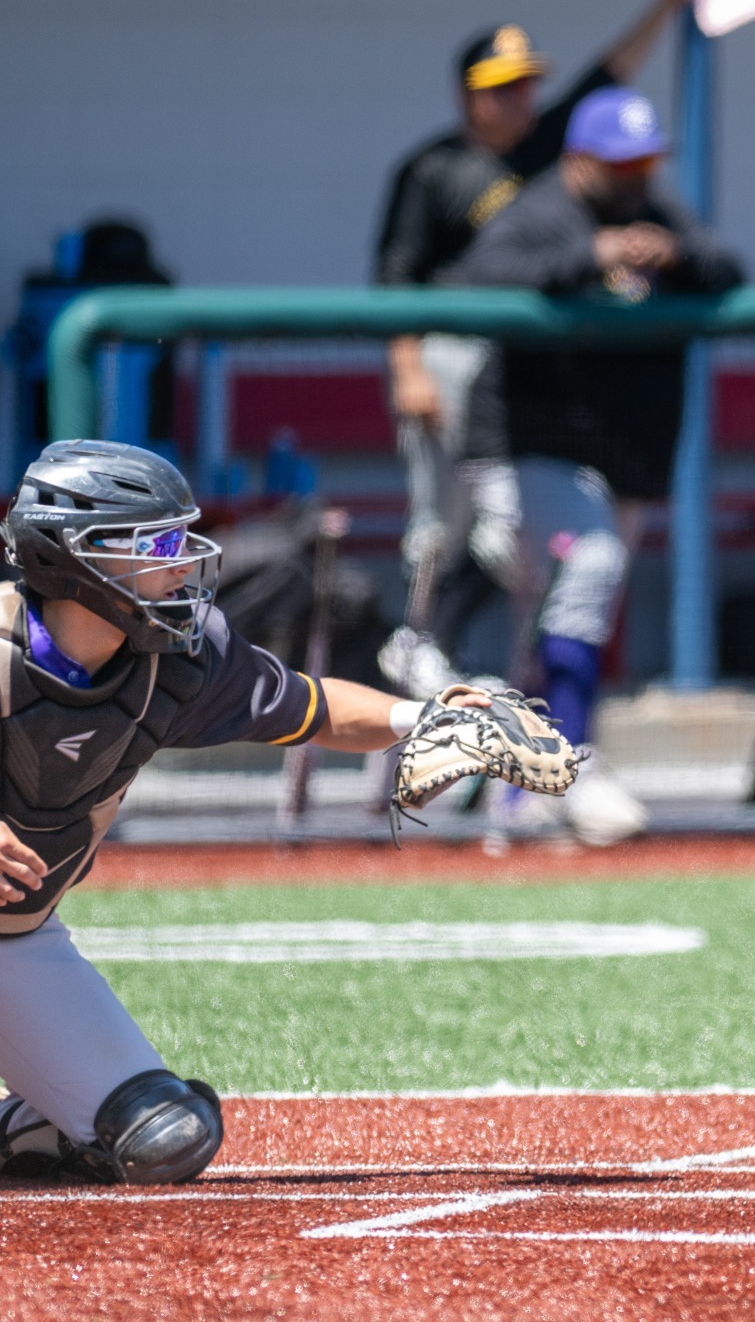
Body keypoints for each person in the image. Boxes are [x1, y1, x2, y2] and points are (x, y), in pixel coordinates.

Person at [0, 441, 522, 1184]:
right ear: (73, 558)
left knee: (166, 1133)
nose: (182, 564)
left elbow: (313, 707)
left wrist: (426, 715)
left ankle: (24, 1127)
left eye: (182, 538)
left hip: (15, 941)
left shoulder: (177, 661)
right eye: (159, 543)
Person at [448, 86, 746, 846]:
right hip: (526, 447)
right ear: (582, 158)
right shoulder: (542, 209)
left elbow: (728, 267)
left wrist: (672, 253)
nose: (639, 173)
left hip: (620, 453)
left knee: (547, 622)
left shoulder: (657, 210)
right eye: (624, 161)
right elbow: (478, 276)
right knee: (588, 570)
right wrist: (591, 256)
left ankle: (514, 792)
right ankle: (564, 765)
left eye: (647, 159)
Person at [372, 0, 685, 697]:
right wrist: (407, 366)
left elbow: (609, 75)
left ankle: (454, 648)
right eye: (501, 88)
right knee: (439, 522)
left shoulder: (546, 151)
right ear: (468, 95)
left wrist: (666, 6)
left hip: (510, 365)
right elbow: (394, 276)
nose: (519, 99)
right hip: (447, 352)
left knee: (505, 536)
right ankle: (419, 638)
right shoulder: (433, 169)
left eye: (526, 85)